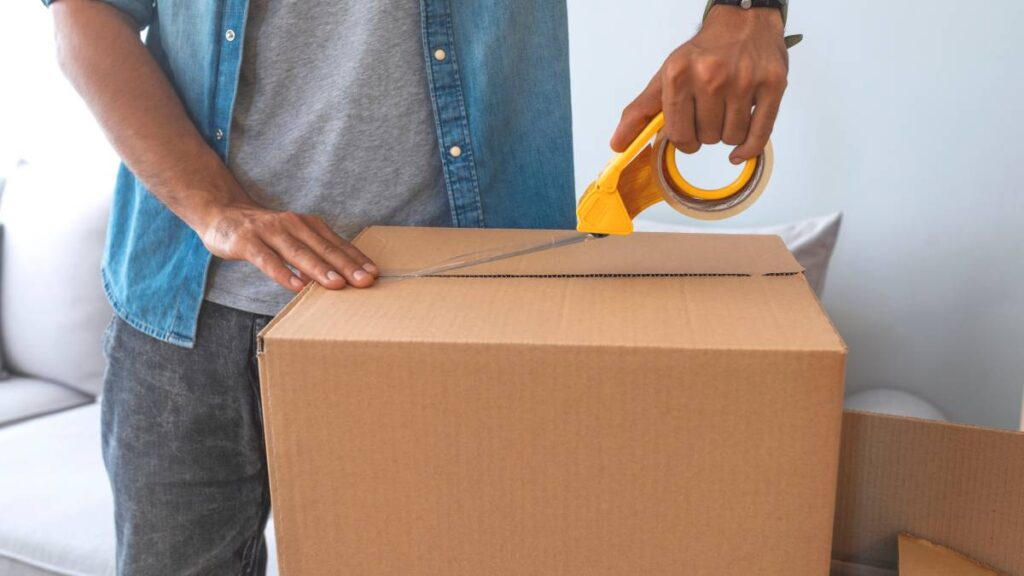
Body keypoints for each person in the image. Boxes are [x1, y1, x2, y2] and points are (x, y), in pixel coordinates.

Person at [46, 0, 794, 573]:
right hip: (184, 309)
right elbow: (87, 11)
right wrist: (215, 205)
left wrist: (749, 13)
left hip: (457, 317)